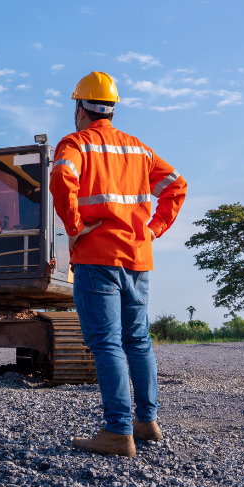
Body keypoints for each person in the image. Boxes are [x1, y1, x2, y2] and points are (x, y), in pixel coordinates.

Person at [49, 71, 188, 457]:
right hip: (138, 259)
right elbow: (177, 184)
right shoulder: (138, 150)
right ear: (110, 109)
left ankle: (117, 432)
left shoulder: (76, 143)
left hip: (97, 258)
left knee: (107, 343)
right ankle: (147, 421)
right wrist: (154, 229)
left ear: (80, 108)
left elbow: (61, 174)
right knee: (138, 341)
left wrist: (74, 226)